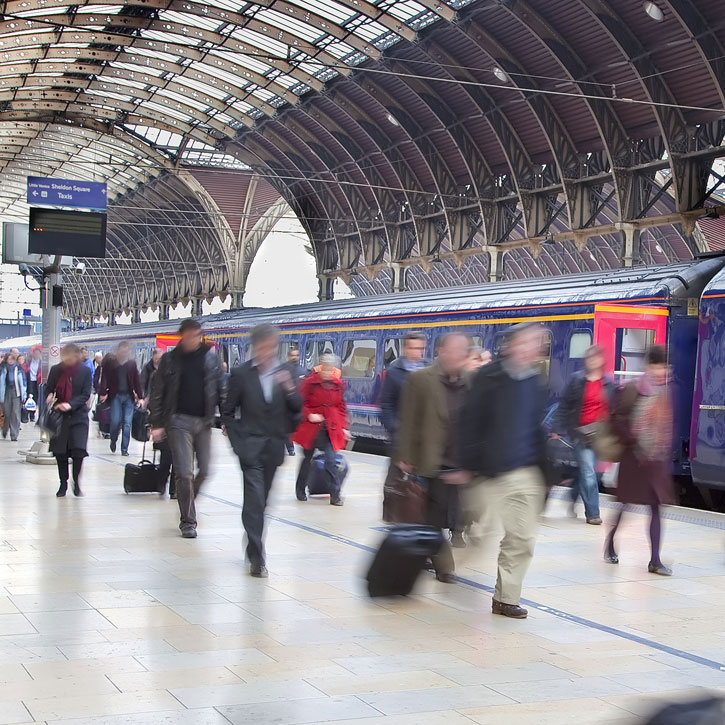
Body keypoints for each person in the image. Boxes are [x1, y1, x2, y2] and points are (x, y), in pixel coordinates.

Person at [461, 322, 550, 619]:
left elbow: (536, 429)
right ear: (511, 345)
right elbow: (470, 423)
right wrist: (467, 465)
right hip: (490, 471)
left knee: (522, 538)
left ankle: (505, 598)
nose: (533, 348)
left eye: (537, 343)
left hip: (524, 471)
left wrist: (548, 472)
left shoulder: (535, 382)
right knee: (477, 536)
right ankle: (445, 559)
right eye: (527, 342)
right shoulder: (490, 377)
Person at [222, 324, 301, 577]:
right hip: (250, 448)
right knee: (254, 501)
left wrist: (289, 389)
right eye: (264, 347)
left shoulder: (286, 372)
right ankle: (258, 557)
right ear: (255, 347)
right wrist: (238, 442)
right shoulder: (241, 374)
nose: (268, 352)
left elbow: (298, 408)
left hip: (274, 448)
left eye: (272, 347)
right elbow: (226, 411)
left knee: (263, 502)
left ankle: (252, 541)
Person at [397, 332, 471, 583]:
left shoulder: (471, 380)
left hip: (461, 462)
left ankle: (429, 555)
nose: (456, 356)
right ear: (440, 352)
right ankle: (444, 566)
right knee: (434, 517)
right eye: (452, 351)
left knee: (459, 514)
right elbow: (408, 419)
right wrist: (405, 455)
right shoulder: (421, 379)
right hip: (432, 460)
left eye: (462, 352)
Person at [149, 320, 225, 538]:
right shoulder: (170, 360)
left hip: (204, 422)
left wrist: (226, 419)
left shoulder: (211, 358)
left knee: (206, 470)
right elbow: (157, 391)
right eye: (190, 335)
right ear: (181, 336)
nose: (194, 339)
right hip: (177, 421)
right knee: (183, 472)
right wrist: (156, 423)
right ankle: (188, 521)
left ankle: (187, 499)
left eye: (197, 335)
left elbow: (221, 387)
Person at [605, 345, 673, 576]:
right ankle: (610, 542)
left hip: (654, 461)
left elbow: (665, 424)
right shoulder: (633, 390)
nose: (660, 371)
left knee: (656, 508)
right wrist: (633, 439)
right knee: (626, 505)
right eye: (656, 366)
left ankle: (655, 560)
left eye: (664, 366)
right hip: (634, 459)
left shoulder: (665, 391)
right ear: (648, 366)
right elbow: (616, 420)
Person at [555, 345, 614, 525]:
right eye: (590, 358)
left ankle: (573, 495)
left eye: (596, 358)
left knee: (592, 475)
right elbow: (565, 404)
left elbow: (613, 408)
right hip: (581, 433)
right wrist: (557, 428)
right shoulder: (577, 380)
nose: (593, 361)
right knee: (588, 471)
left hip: (601, 436)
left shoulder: (608, 383)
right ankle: (593, 514)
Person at [293, 354, 349, 505]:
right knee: (307, 459)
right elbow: (299, 403)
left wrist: (344, 427)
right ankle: (300, 489)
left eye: (330, 369)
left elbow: (341, 408)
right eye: (325, 368)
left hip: (330, 428)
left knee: (331, 461)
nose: (328, 372)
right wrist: (309, 414)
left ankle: (335, 495)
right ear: (321, 367)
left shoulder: (337, 385)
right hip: (312, 429)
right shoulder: (310, 383)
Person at [45, 343, 92, 497]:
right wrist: (49, 395)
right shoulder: (56, 370)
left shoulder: (84, 371)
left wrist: (70, 405)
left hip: (79, 416)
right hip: (60, 417)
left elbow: (85, 394)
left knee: (78, 451)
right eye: (65, 357)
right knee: (61, 453)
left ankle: (76, 482)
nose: (68, 360)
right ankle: (62, 483)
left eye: (71, 357)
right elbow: (49, 387)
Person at [380, 332, 427, 446]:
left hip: (424, 436)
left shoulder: (430, 369)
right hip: (402, 437)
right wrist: (395, 430)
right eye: (413, 348)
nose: (417, 352)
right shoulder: (393, 372)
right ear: (405, 349)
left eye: (420, 348)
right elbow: (386, 404)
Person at [99, 341, 143, 456]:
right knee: (115, 421)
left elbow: (136, 381)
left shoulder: (131, 364)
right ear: (118, 350)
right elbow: (104, 378)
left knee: (127, 423)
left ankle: (124, 449)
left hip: (129, 397)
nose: (125, 351)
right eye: (123, 349)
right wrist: (103, 392)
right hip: (116, 396)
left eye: (127, 349)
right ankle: (113, 439)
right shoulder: (111, 363)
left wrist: (140, 396)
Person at [142, 348, 175, 499]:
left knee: (180, 458)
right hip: (164, 422)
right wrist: (154, 424)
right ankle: (162, 482)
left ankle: (174, 489)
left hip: (180, 423)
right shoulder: (157, 378)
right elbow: (154, 401)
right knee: (167, 456)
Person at [284, 347, 306, 456]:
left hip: (299, 403)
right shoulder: (284, 370)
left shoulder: (303, 371)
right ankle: (290, 448)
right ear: (289, 356)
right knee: (287, 428)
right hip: (286, 404)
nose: (295, 357)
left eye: (296, 355)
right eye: (293, 355)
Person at [0, 351, 27, 441]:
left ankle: (14, 435)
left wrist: (24, 394)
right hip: (5, 392)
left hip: (16, 392)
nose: (10, 361)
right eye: (9, 359)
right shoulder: (2, 368)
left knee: (15, 414)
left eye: (12, 359)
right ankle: (5, 429)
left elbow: (23, 382)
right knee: (6, 413)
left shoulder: (18, 368)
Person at [27, 347, 42, 416]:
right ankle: (28, 412)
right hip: (30, 381)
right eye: (35, 353)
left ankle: (33, 414)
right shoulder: (29, 361)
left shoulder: (41, 362)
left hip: (37, 381)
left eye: (38, 353)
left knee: (36, 397)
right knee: (30, 396)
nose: (36, 355)